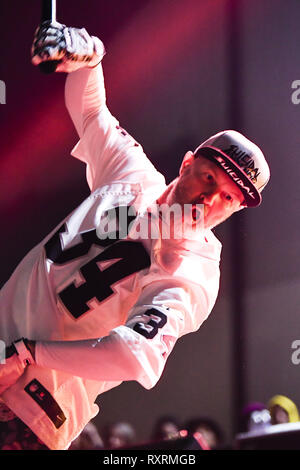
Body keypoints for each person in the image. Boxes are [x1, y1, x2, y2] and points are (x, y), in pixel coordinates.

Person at [0, 21, 270, 450]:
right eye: (208, 177)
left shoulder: (193, 273)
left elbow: (132, 354)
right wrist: (90, 55)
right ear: (186, 164)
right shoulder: (131, 176)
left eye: (228, 198)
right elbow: (92, 114)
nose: (210, 201)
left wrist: (31, 352)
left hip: (31, 407)